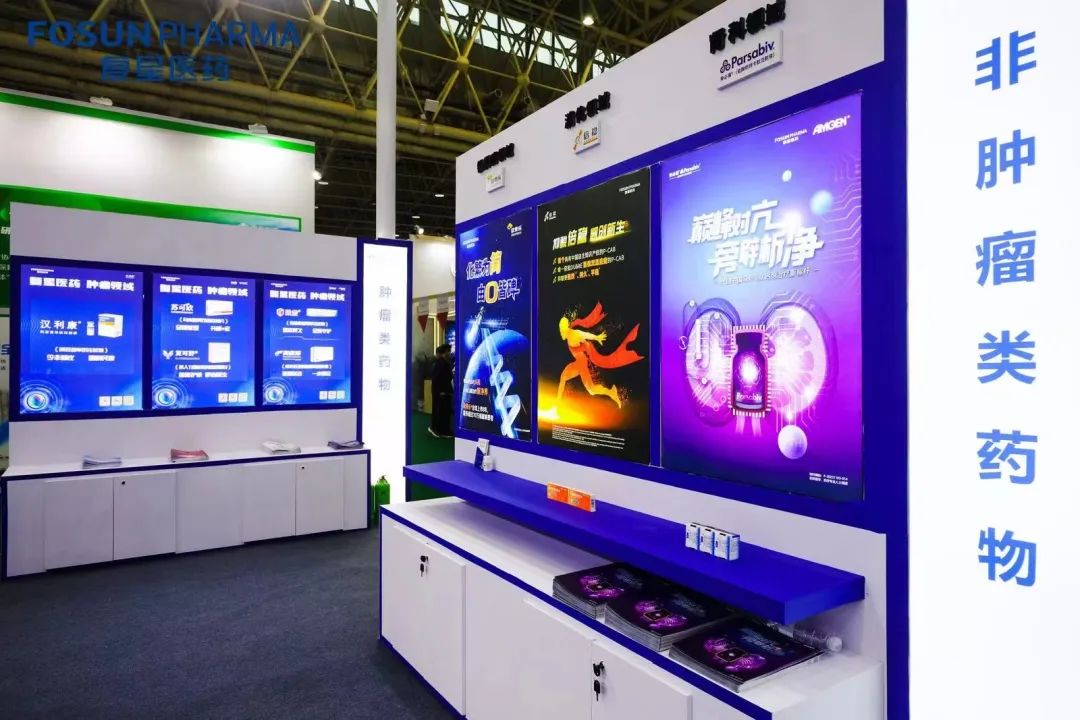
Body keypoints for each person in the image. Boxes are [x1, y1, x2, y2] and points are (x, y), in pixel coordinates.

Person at [555, 302, 644, 409]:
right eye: (560, 330)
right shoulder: (569, 335)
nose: (561, 333)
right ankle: (557, 406)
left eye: (562, 330)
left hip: (582, 364)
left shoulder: (574, 334)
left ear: (566, 328)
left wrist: (597, 337)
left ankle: (611, 392)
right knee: (566, 378)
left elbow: (585, 335)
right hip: (579, 362)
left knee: (590, 390)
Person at [429, 343, 455, 438]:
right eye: (448, 351)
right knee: (439, 410)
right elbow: (436, 378)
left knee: (445, 411)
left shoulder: (445, 362)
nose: (450, 353)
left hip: (445, 391)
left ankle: (444, 430)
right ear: (444, 352)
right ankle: (435, 429)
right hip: (440, 392)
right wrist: (440, 391)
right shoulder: (440, 363)